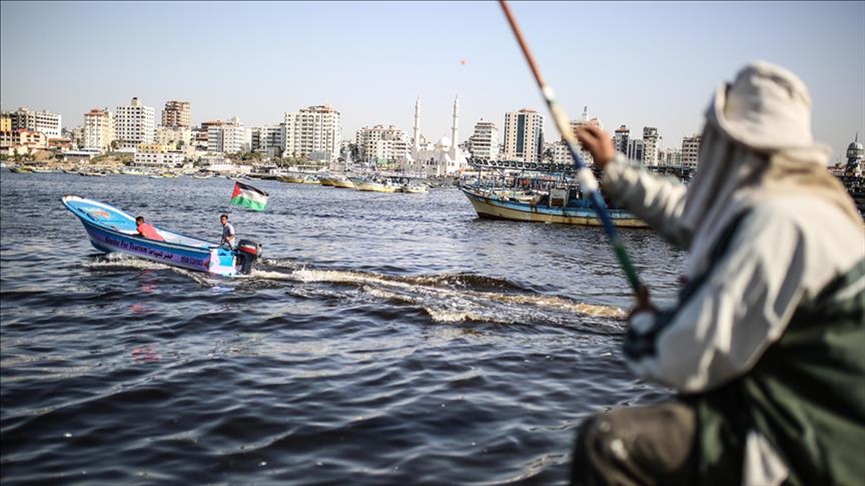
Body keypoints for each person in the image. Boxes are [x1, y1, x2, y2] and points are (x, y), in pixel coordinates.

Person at [570, 61, 864, 486]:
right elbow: (690, 215)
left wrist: (644, 325)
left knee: (606, 442)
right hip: (797, 413)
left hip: (804, 445)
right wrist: (614, 167)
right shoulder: (800, 201)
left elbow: (686, 354)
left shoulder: (780, 223)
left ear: (739, 144)